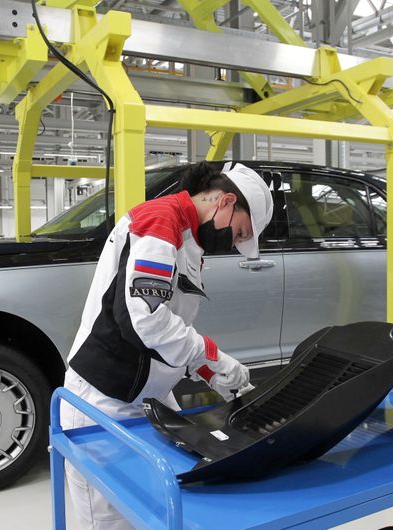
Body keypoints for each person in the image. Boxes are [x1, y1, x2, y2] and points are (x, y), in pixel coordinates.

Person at [60, 161, 274, 530]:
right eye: (238, 233)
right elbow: (145, 320)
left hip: (148, 396)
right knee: (111, 521)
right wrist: (212, 356)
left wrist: (211, 373)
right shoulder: (161, 223)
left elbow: (171, 325)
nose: (235, 244)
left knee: (156, 512)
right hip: (105, 400)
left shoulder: (188, 240)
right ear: (225, 202)